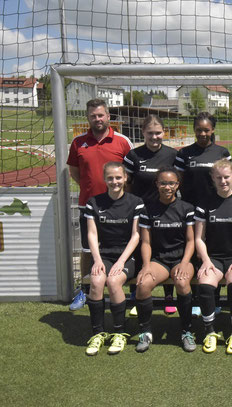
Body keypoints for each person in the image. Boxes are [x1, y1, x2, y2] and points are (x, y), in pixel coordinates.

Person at [67, 98, 133, 311]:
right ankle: (84, 291)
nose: (97, 119)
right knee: (88, 249)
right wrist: (90, 188)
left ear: (108, 117)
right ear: (88, 118)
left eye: (101, 115)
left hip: (119, 207)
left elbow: (130, 173)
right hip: (89, 206)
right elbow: (75, 171)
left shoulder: (122, 141)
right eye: (93, 115)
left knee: (126, 248)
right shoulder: (78, 142)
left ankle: (131, 292)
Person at [194, 160, 232, 354]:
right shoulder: (204, 204)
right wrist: (206, 261)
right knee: (204, 285)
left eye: (226, 177)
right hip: (213, 258)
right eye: (218, 177)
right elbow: (199, 238)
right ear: (212, 178)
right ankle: (210, 331)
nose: (223, 181)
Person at [174, 112, 231, 317]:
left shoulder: (221, 151)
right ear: (194, 130)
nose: (203, 133)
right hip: (190, 209)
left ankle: (215, 298)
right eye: (199, 130)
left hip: (216, 208)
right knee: (195, 252)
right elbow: (177, 181)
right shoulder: (184, 153)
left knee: (214, 250)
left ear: (213, 130)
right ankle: (198, 298)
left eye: (206, 130)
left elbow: (227, 179)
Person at [84, 162, 143, 356]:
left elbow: (136, 236)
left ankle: (119, 332)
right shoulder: (93, 203)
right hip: (104, 255)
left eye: (118, 177)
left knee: (114, 281)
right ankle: (98, 333)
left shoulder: (135, 202)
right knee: (96, 281)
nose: (114, 182)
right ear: (104, 179)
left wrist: (120, 262)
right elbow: (92, 235)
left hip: (127, 256)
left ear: (125, 178)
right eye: (110, 178)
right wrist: (98, 260)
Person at [134, 167, 196, 353]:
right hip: (159, 260)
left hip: (181, 258)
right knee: (143, 284)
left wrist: (185, 262)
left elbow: (191, 240)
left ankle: (186, 331)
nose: (167, 187)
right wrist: (146, 266)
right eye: (163, 183)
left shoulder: (187, 208)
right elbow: (145, 242)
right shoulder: (148, 209)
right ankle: (145, 332)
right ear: (156, 184)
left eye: (171, 183)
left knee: (182, 282)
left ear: (177, 185)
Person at [124, 115, 178, 316]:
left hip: (166, 212)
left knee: (165, 250)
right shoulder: (133, 156)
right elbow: (127, 185)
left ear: (164, 133)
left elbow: (177, 183)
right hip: (140, 213)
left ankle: (168, 295)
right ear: (143, 133)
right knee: (139, 251)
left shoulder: (173, 155)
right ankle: (136, 293)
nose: (154, 137)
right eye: (150, 133)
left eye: (158, 133)